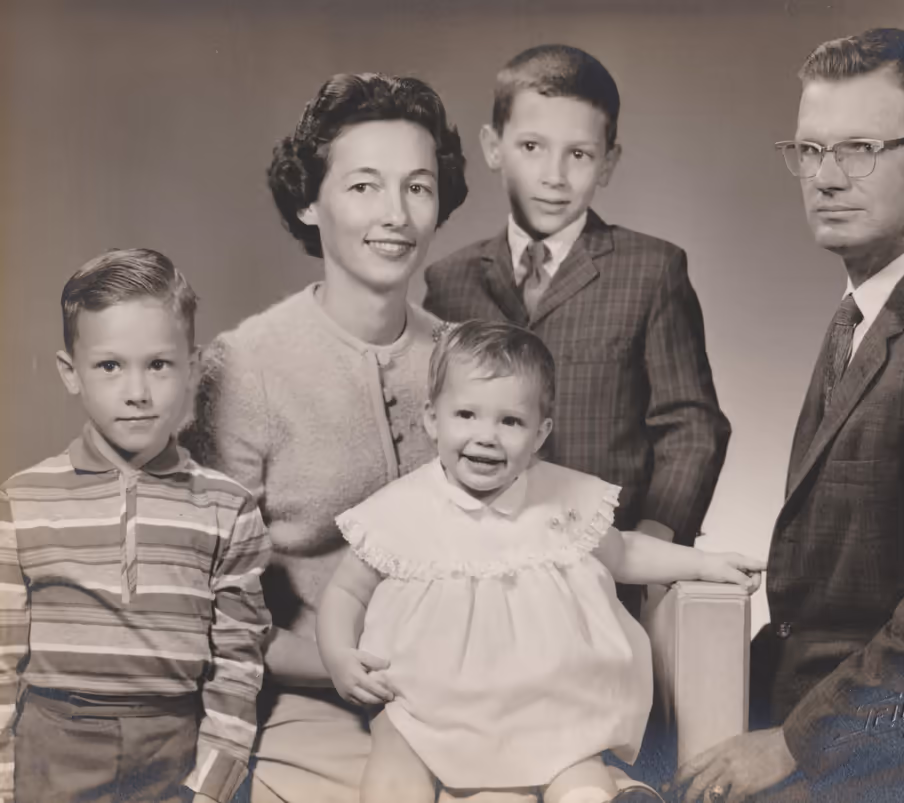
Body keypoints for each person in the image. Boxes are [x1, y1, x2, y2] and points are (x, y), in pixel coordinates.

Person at [674, 28, 904, 803]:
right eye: (810, 151)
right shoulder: (869, 314)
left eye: (860, 148)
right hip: (824, 710)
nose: (826, 178)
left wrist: (794, 741)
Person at [317, 320, 765, 803]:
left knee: (575, 762)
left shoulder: (562, 500)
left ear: (539, 433)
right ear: (432, 419)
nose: (486, 436)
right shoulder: (400, 510)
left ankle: (593, 795)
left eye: (510, 422)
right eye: (466, 414)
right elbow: (346, 591)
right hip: (419, 698)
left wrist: (704, 564)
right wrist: (339, 655)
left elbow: (625, 552)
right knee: (396, 759)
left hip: (548, 699)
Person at [182, 73, 468, 802]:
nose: (396, 215)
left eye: (418, 187)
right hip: (310, 705)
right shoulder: (244, 366)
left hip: (467, 697)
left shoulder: (467, 359)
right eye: (364, 186)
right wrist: (343, 666)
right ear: (309, 201)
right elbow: (207, 598)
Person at [423, 45, 730, 618]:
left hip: (605, 579)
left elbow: (692, 426)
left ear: (608, 163)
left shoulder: (651, 270)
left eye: (580, 154)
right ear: (493, 147)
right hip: (477, 574)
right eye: (532, 147)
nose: (554, 176)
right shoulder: (448, 282)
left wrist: (651, 542)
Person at [0, 249, 272, 803]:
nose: (137, 391)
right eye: (110, 366)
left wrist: (212, 787)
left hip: (174, 751)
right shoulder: (22, 499)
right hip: (51, 753)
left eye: (159, 365)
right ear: (71, 373)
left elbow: (238, 665)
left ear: (193, 368)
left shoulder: (229, 508)